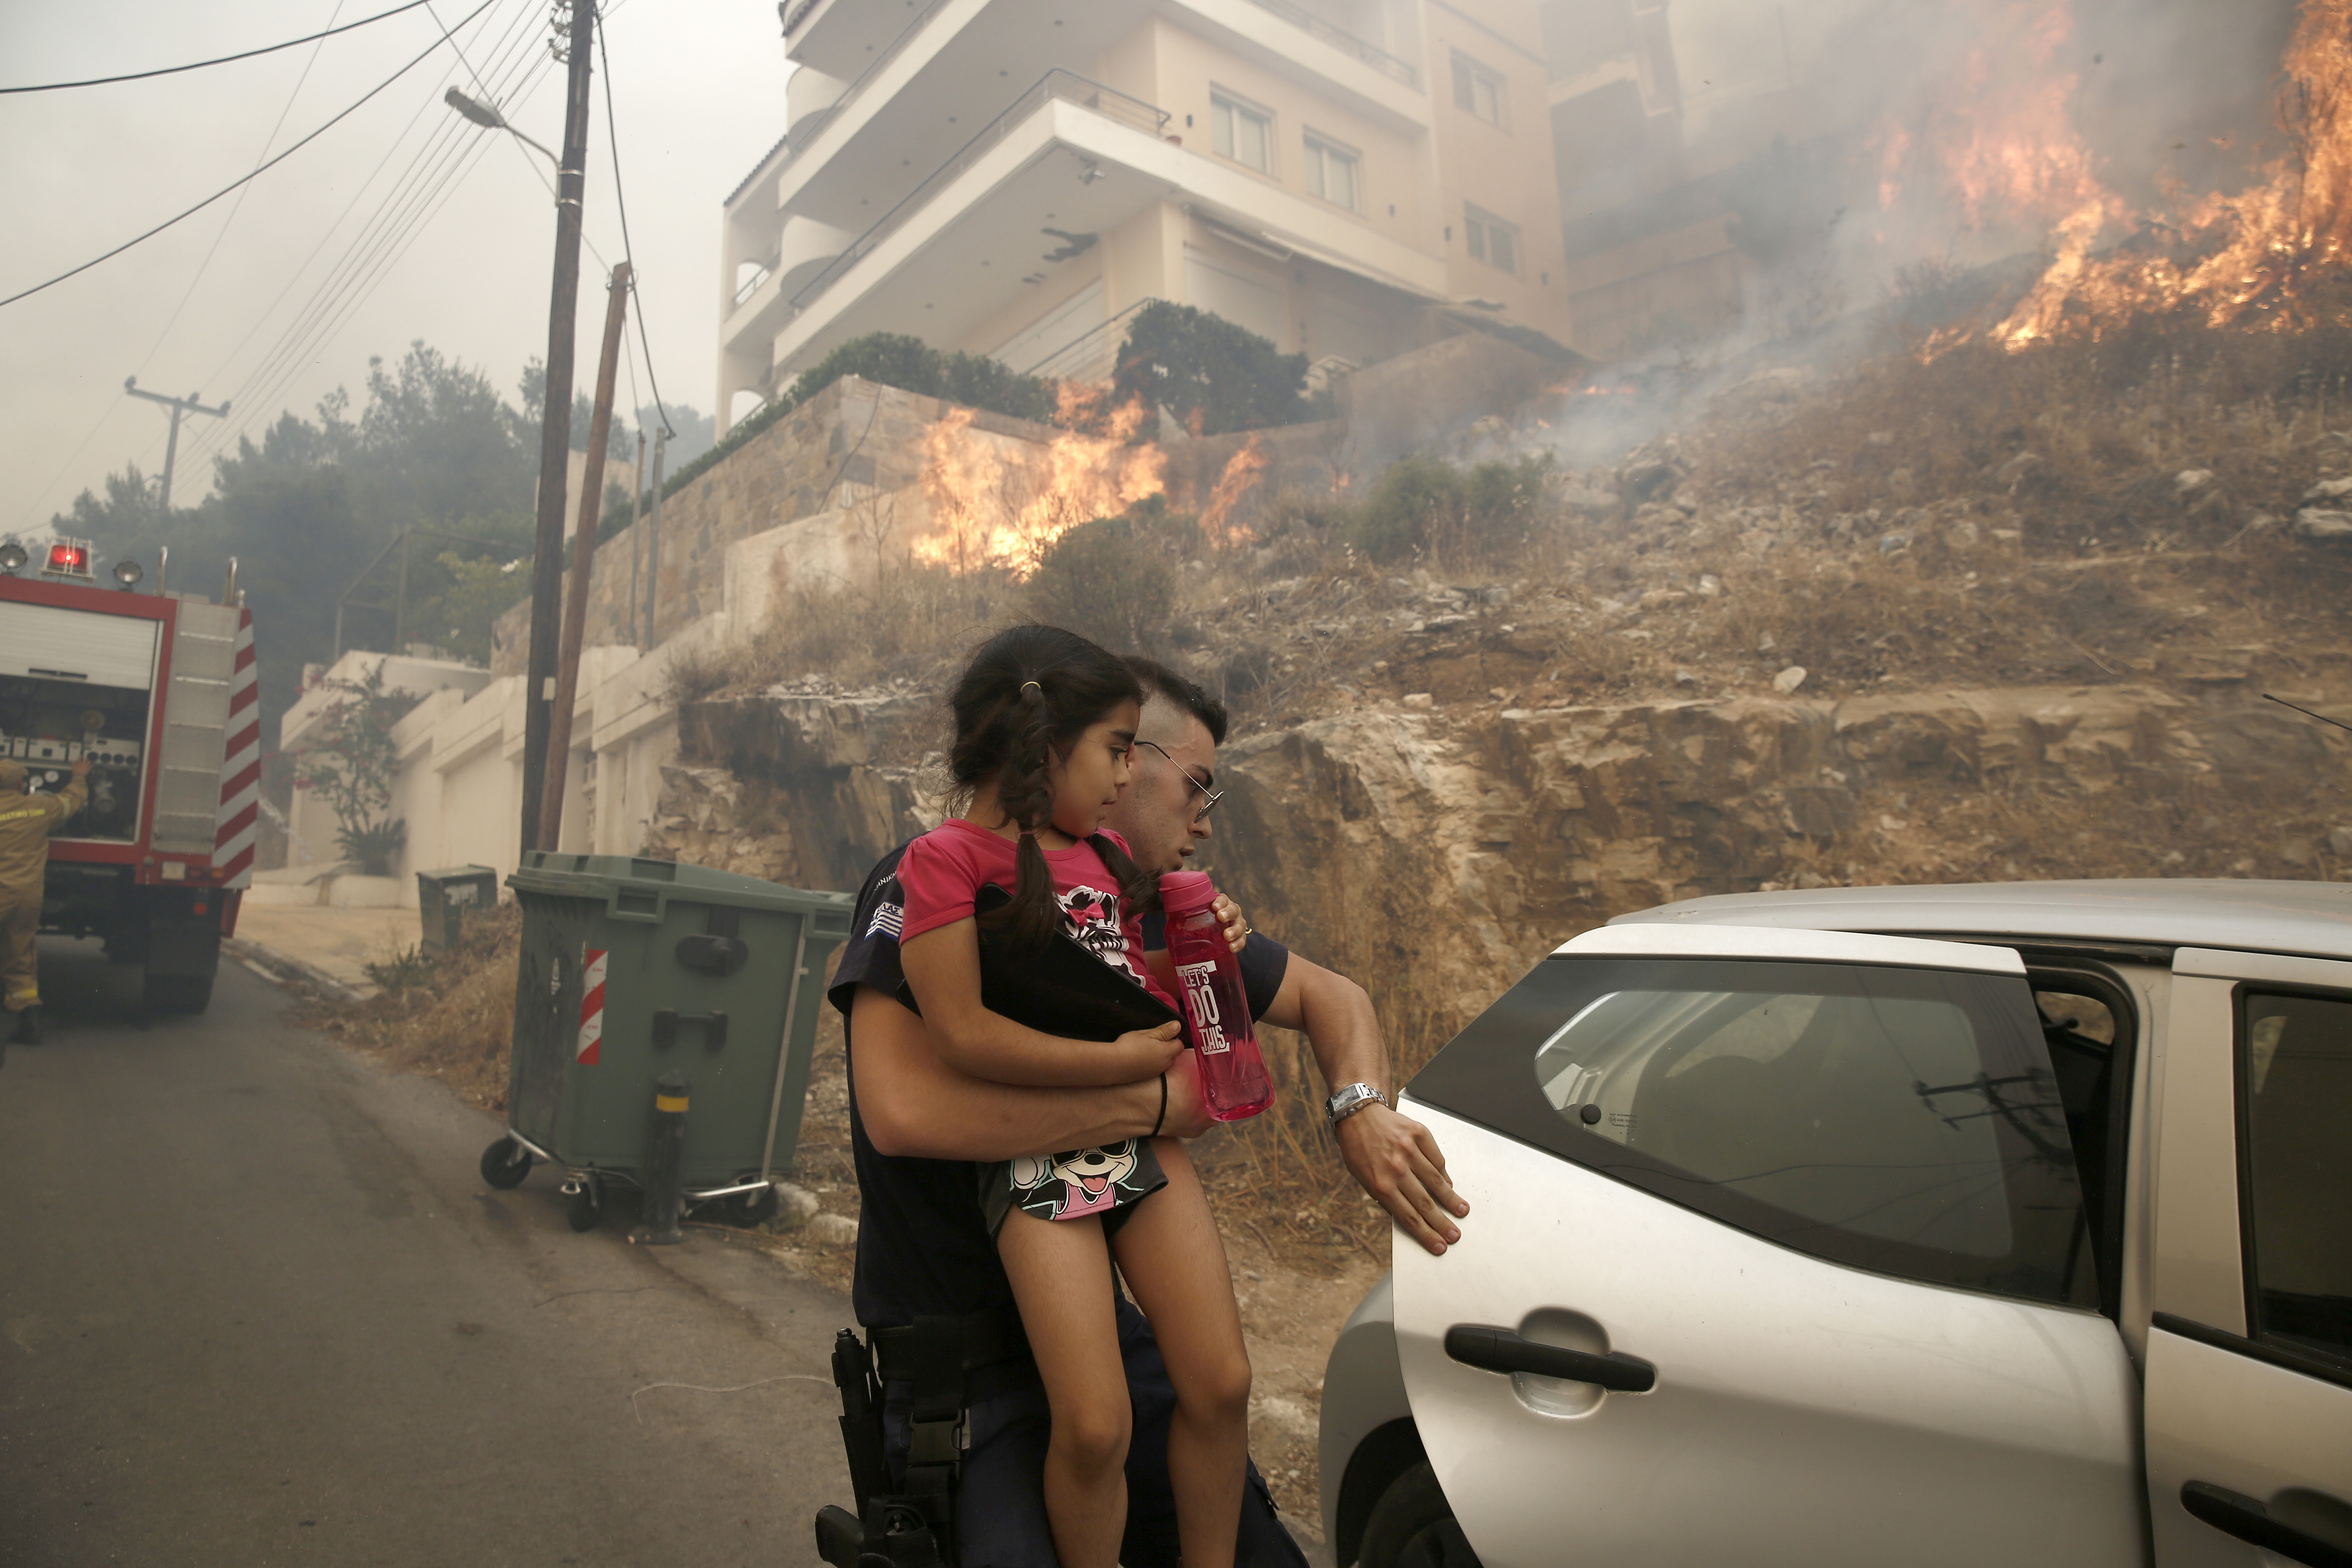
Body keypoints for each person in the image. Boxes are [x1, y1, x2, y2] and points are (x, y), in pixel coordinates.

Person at [827, 653, 1468, 1567]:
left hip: (1118, 1338)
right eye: (1192, 782)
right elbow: (900, 1110)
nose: (1204, 821)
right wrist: (1146, 1100)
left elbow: (1336, 1000)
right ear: (1078, 755)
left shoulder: (1140, 898)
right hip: (972, 1377)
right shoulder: (933, 880)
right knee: (1081, 1454)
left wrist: (1360, 1108)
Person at [893, 625, 1252, 1568]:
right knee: (1093, 1423)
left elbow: (1141, 986)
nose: (1127, 772)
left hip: (1140, 1136)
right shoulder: (944, 862)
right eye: (1114, 748)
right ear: (1045, 744)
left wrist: (1211, 935)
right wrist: (1125, 1070)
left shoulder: (1100, 852)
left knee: (1218, 1382)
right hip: (1040, 1149)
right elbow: (961, 1032)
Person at [0, 756, 87, 1055]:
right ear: (20, 783)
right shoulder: (38, 808)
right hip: (26, 897)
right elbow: (70, 802)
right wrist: (78, 776)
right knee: (21, 955)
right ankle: (31, 1025)